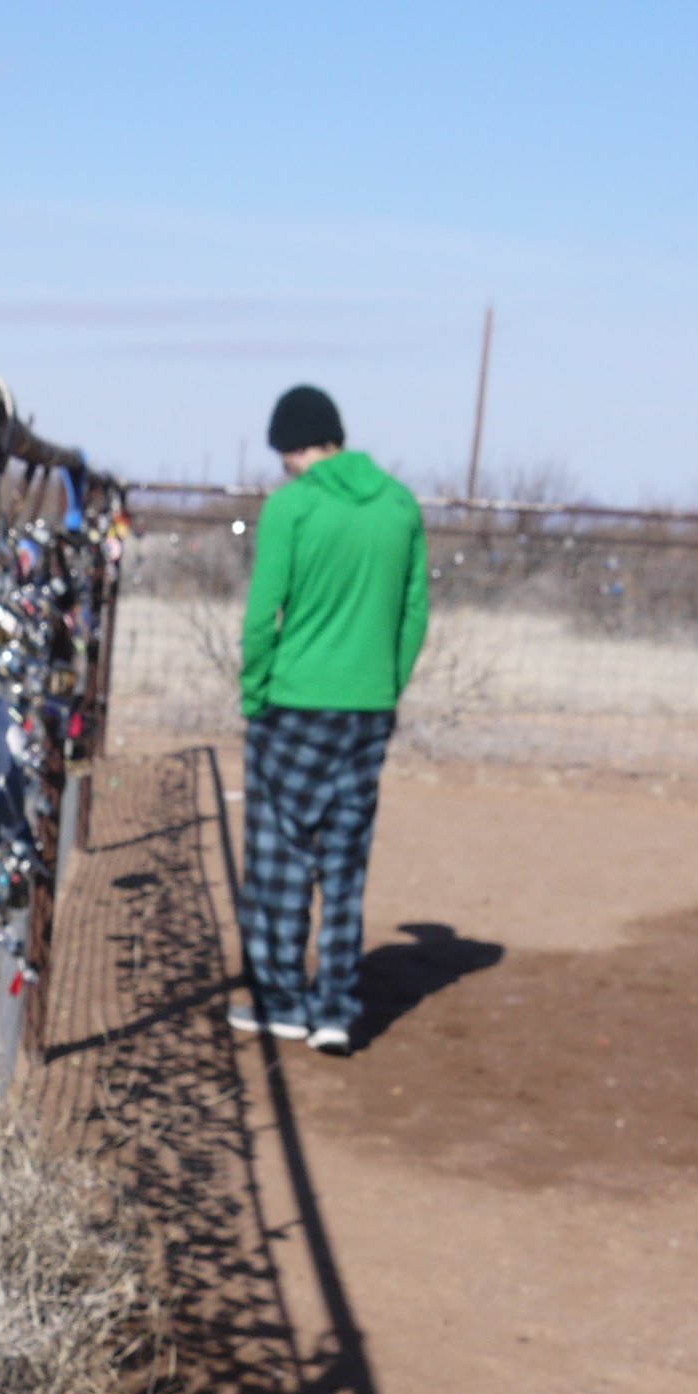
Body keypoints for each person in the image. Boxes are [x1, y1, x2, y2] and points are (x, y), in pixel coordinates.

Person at [235, 385, 429, 1052]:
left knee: (281, 856)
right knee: (346, 864)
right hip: (368, 709)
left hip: (293, 703)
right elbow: (414, 615)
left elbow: (264, 615)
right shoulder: (401, 505)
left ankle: (283, 999)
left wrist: (255, 691)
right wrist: (386, 684)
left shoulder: (292, 506)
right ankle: (339, 1010)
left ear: (292, 448)